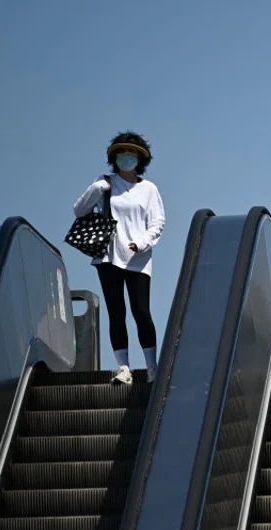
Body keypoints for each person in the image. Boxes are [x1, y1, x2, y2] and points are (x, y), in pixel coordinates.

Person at [72, 131, 165, 385]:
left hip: (138, 257)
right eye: (123, 153)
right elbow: (79, 210)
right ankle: (123, 367)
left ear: (140, 158)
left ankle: (151, 367)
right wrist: (97, 188)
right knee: (116, 311)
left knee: (141, 311)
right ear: (115, 157)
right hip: (108, 257)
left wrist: (142, 243)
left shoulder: (148, 189)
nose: (127, 157)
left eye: (132, 153)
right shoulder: (105, 182)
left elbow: (157, 222)